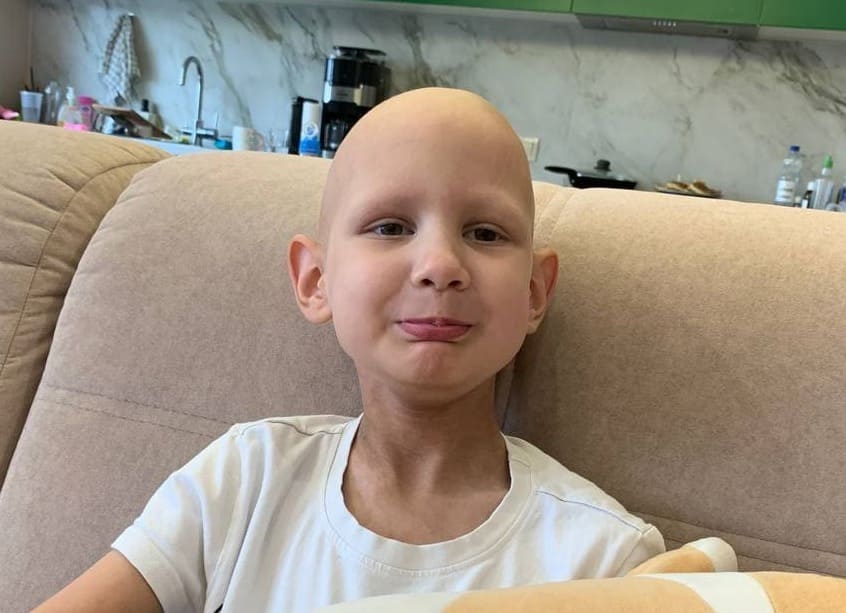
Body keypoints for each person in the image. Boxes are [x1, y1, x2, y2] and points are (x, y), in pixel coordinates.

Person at [36, 87, 664, 613]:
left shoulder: (605, 561)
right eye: (390, 226)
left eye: (485, 232)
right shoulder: (243, 480)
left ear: (533, 293)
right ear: (316, 280)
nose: (440, 265)